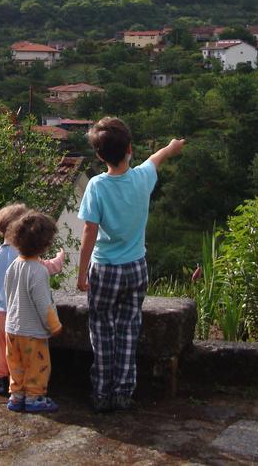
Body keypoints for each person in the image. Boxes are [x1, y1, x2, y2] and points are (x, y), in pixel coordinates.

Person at [76, 117, 185, 412]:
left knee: (101, 329)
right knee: (128, 329)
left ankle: (102, 393)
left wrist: (82, 270)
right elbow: (156, 158)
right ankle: (124, 392)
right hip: (136, 267)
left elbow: (89, 231)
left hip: (105, 268)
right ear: (130, 149)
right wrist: (171, 147)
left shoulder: (97, 186)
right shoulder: (141, 178)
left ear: (99, 156)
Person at [0, 203, 65, 396]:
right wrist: (59, 259)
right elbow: (47, 268)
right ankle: (27, 388)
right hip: (16, 312)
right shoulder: (23, 256)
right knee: (24, 354)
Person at [3, 210, 63, 412]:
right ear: (45, 244)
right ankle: (34, 398)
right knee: (37, 366)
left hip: (12, 328)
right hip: (32, 332)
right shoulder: (38, 271)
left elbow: (9, 294)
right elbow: (43, 303)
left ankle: (16, 395)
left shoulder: (13, 266)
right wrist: (54, 326)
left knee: (16, 365)